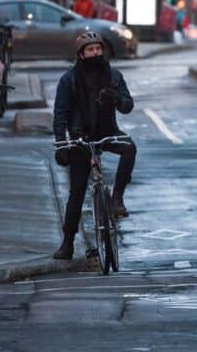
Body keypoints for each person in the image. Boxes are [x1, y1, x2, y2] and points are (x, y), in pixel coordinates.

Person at [52, 32, 136, 260]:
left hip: (107, 132)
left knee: (129, 147)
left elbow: (128, 105)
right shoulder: (68, 80)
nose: (96, 53)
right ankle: (67, 243)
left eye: (98, 49)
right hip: (80, 138)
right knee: (76, 192)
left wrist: (116, 99)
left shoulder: (114, 76)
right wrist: (61, 144)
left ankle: (117, 197)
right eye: (90, 50)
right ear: (81, 54)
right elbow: (59, 114)